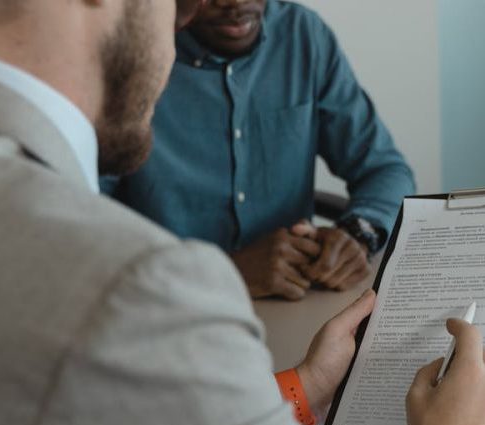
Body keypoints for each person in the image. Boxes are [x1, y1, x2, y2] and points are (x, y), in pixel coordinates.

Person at [0, 1, 484, 425]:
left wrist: (308, 388)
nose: (179, 20)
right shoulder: (136, 287)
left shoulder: (302, 36)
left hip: (276, 348)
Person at [100, 0, 416, 301]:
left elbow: (385, 169)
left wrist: (358, 234)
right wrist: (225, 272)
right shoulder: (134, 52)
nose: (237, 3)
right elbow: (83, 216)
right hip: (169, 307)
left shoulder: (302, 34)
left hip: (297, 300)